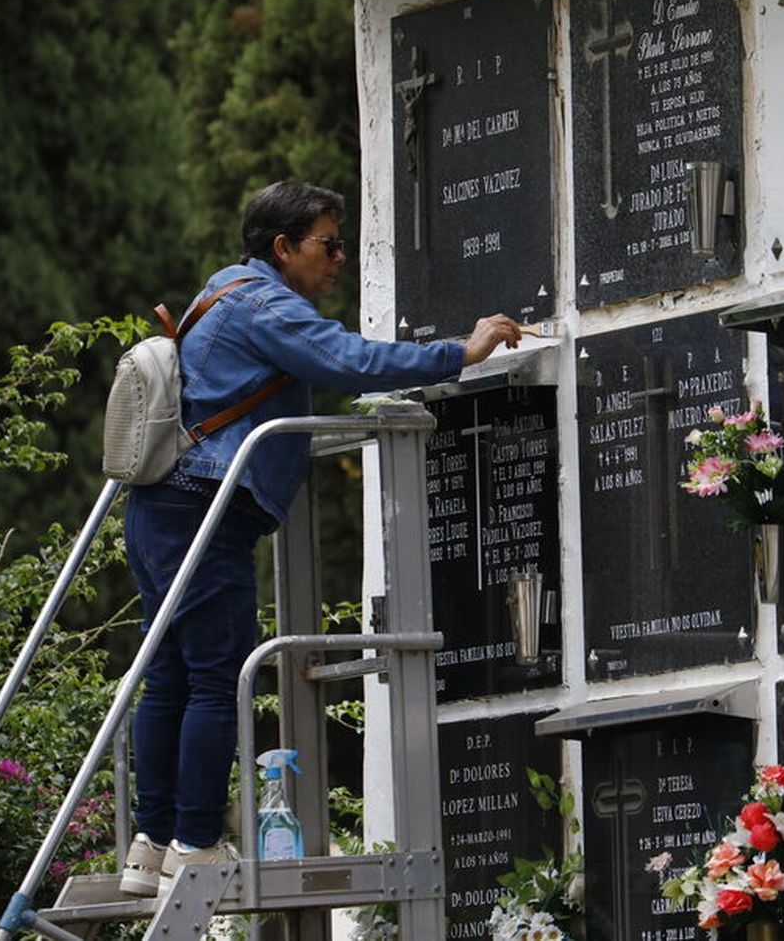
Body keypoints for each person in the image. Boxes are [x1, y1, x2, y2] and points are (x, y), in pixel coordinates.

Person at [119, 182, 521, 896]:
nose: (339, 258)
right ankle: (197, 843)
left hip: (161, 506)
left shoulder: (221, 290)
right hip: (205, 507)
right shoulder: (266, 304)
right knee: (215, 677)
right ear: (283, 247)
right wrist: (460, 352)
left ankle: (151, 847)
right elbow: (348, 362)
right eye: (328, 244)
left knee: (172, 674)